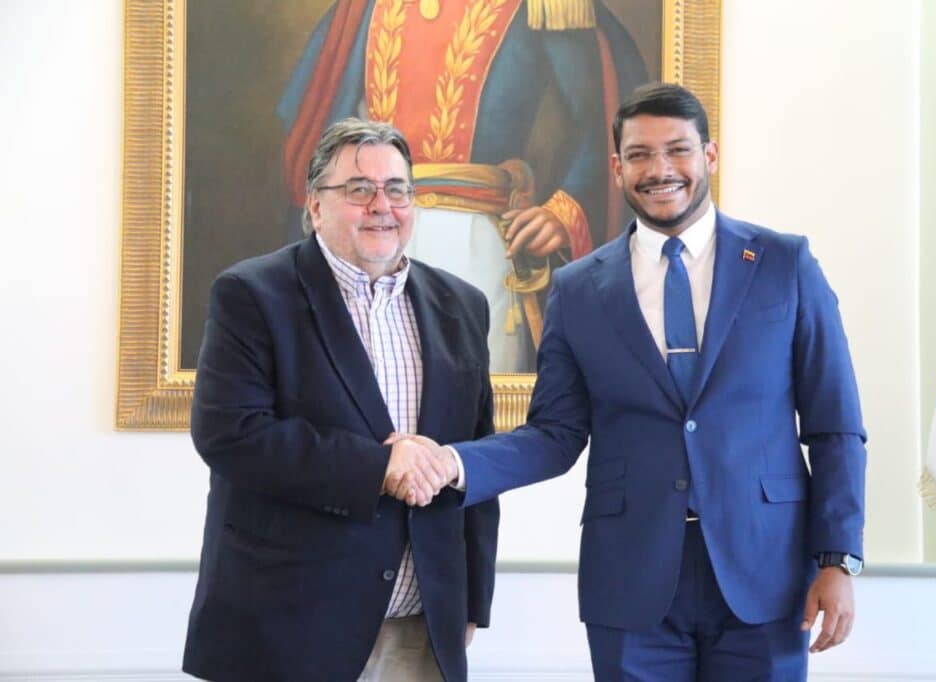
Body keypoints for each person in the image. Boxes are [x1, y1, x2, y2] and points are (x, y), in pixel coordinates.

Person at [395, 83, 868, 680]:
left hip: (766, 573)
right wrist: (453, 465)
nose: (660, 170)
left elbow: (836, 427)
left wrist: (837, 560)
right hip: (631, 578)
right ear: (617, 167)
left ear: (710, 156)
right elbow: (555, 434)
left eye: (678, 150)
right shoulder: (578, 288)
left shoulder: (783, 263)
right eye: (640, 154)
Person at [182, 118, 499, 682]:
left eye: (398, 189)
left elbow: (474, 455)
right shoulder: (252, 294)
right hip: (287, 627)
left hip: (419, 629)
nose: (383, 205)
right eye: (359, 189)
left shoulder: (463, 304)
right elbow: (231, 436)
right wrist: (381, 466)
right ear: (315, 205)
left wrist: (472, 597)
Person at [277, 0, 648, 371]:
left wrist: (563, 210)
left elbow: (609, 114)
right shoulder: (364, 7)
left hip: (479, 244)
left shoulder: (543, 6)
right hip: (371, 239)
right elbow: (318, 127)